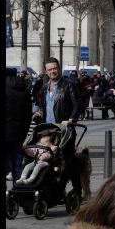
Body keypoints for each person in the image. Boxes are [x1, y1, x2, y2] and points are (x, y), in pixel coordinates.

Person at [33, 57, 85, 196]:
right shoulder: (45, 87)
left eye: (55, 68)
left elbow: (78, 104)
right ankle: (54, 189)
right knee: (49, 161)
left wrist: (70, 119)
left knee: (67, 161)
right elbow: (42, 105)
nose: (52, 71)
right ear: (46, 71)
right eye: (49, 69)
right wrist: (39, 112)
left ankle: (74, 190)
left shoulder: (68, 85)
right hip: (49, 131)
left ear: (59, 68)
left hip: (65, 131)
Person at [6, 67, 33, 184]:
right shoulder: (24, 90)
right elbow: (28, 116)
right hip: (18, 134)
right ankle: (17, 191)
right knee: (17, 165)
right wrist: (24, 133)